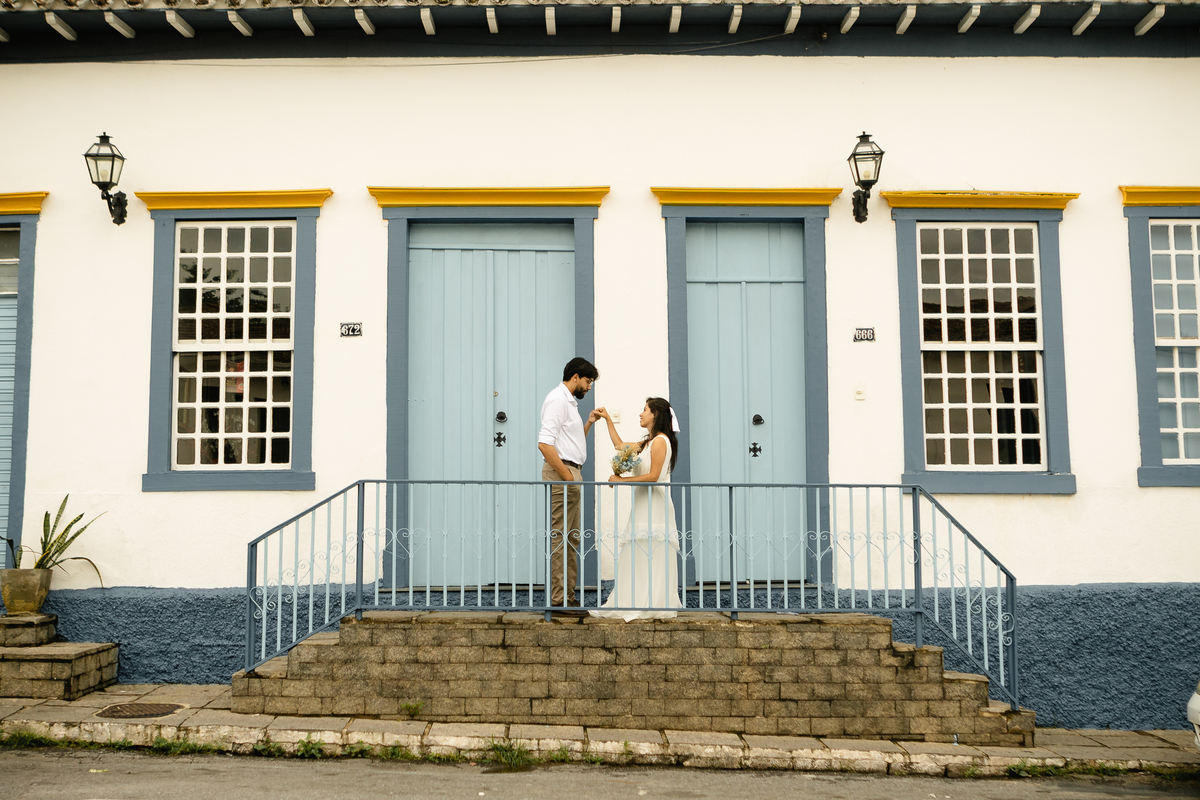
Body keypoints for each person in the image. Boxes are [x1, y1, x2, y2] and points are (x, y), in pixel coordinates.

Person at [590, 397, 685, 620]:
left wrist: (620, 480)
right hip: (642, 504)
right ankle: (635, 599)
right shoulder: (648, 443)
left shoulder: (661, 441)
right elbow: (619, 445)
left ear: (656, 415)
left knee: (652, 552)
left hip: (655, 506)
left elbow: (653, 477)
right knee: (637, 554)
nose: (641, 414)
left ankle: (652, 602)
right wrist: (607, 420)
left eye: (644, 410)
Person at [538, 357, 601, 618]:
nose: (589, 388)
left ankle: (569, 598)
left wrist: (587, 423)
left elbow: (570, 444)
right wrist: (568, 477)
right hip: (563, 473)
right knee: (561, 537)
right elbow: (545, 443)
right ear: (575, 377)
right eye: (588, 382)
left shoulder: (570, 403)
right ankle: (559, 600)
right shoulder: (557, 399)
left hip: (570, 472)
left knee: (571, 538)